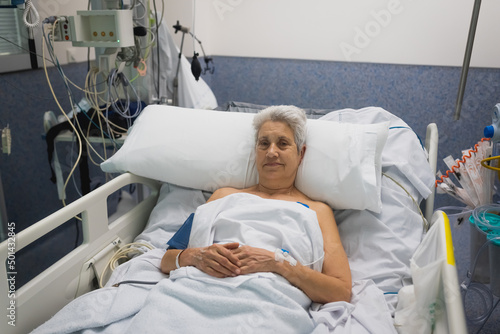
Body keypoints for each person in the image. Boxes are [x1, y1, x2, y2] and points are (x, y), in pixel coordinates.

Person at [160, 105, 352, 304]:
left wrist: (278, 263)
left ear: (300, 154)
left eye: (283, 143)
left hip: (268, 303)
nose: (271, 152)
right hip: (194, 292)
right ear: (255, 152)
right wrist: (196, 256)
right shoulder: (222, 196)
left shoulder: (318, 211)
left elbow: (340, 291)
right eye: (264, 143)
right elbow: (167, 259)